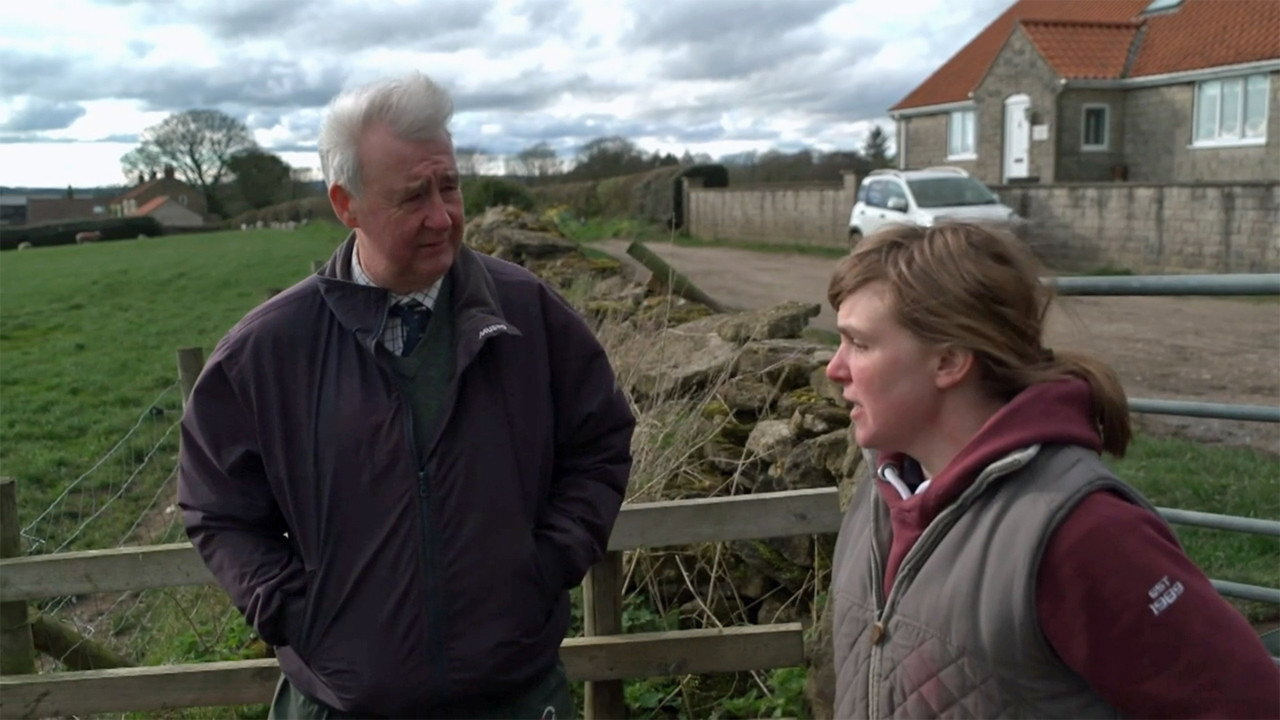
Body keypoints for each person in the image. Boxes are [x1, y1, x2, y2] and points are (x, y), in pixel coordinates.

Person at [178, 72, 635, 719]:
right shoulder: (268, 352)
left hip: (516, 699)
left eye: (449, 186)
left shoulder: (531, 317)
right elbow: (216, 506)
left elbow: (600, 443)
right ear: (346, 204)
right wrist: (295, 611)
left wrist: (546, 563)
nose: (442, 215)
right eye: (414, 195)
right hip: (340, 704)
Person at [824, 222, 1279, 718]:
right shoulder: (881, 497)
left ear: (950, 361)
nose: (834, 368)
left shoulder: (1083, 532)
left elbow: (1245, 704)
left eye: (860, 344)